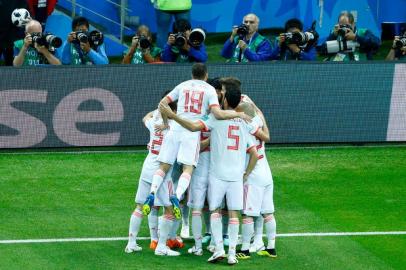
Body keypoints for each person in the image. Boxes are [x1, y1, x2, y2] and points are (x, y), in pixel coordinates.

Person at [159, 85, 259, 265]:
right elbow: (255, 146)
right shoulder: (245, 121)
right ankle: (231, 254)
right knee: (234, 213)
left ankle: (218, 248)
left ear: (225, 100)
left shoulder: (215, 118)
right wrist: (246, 173)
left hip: (218, 174)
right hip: (236, 175)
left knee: (215, 211)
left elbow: (192, 127)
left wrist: (173, 116)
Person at [142, 63, 251, 222]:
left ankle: (152, 193)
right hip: (191, 134)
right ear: (206, 75)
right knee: (188, 169)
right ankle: (177, 196)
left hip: (175, 131)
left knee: (163, 166)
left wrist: (166, 121)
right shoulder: (208, 90)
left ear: (192, 74)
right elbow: (218, 114)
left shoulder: (182, 85)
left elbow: (162, 104)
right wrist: (238, 115)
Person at [125, 92, 180, 256]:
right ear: (174, 110)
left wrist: (159, 111)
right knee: (170, 209)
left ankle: (131, 243)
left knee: (140, 207)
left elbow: (145, 117)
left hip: (147, 166)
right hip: (162, 172)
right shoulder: (175, 127)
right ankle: (162, 247)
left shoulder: (154, 122)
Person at [235, 102, 277, 260]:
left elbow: (252, 155)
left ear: (243, 114)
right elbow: (259, 113)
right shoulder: (258, 121)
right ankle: (271, 248)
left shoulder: (245, 128)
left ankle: (245, 250)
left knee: (247, 214)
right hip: (267, 174)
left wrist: (246, 173)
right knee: (268, 213)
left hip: (254, 176)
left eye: (238, 113)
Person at [0, 0, 28, 66]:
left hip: (12, 34)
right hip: (2, 33)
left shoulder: (21, 2)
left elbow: (25, 13)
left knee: (9, 58)